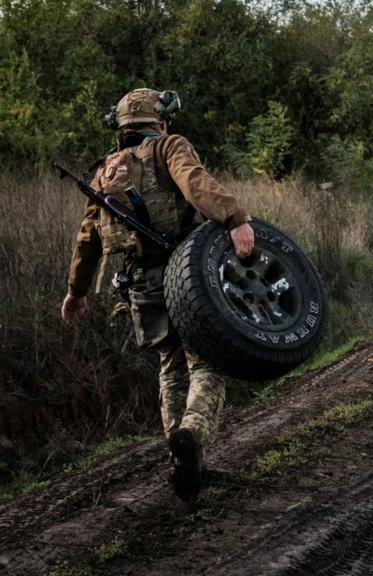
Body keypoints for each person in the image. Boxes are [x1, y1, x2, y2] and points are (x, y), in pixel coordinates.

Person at [61, 88, 254, 501]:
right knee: (207, 363)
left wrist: (77, 291)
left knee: (169, 365)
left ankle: (181, 459)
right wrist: (235, 218)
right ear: (160, 122)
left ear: (122, 128)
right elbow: (195, 183)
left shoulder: (103, 172)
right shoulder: (168, 146)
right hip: (187, 274)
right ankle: (192, 437)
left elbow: (88, 237)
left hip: (140, 283)